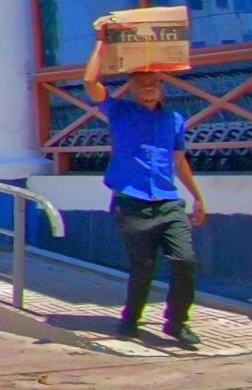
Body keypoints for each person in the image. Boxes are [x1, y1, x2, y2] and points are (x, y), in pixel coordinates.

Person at [84, 36, 208, 348]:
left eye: (154, 83)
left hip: (168, 203)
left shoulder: (174, 119)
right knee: (143, 268)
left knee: (185, 261)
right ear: (133, 89)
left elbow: (179, 161)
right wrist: (102, 42)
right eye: (142, 84)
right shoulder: (120, 112)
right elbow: (90, 80)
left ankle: (177, 323)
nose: (149, 88)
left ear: (162, 88)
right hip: (131, 203)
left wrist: (197, 196)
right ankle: (130, 318)